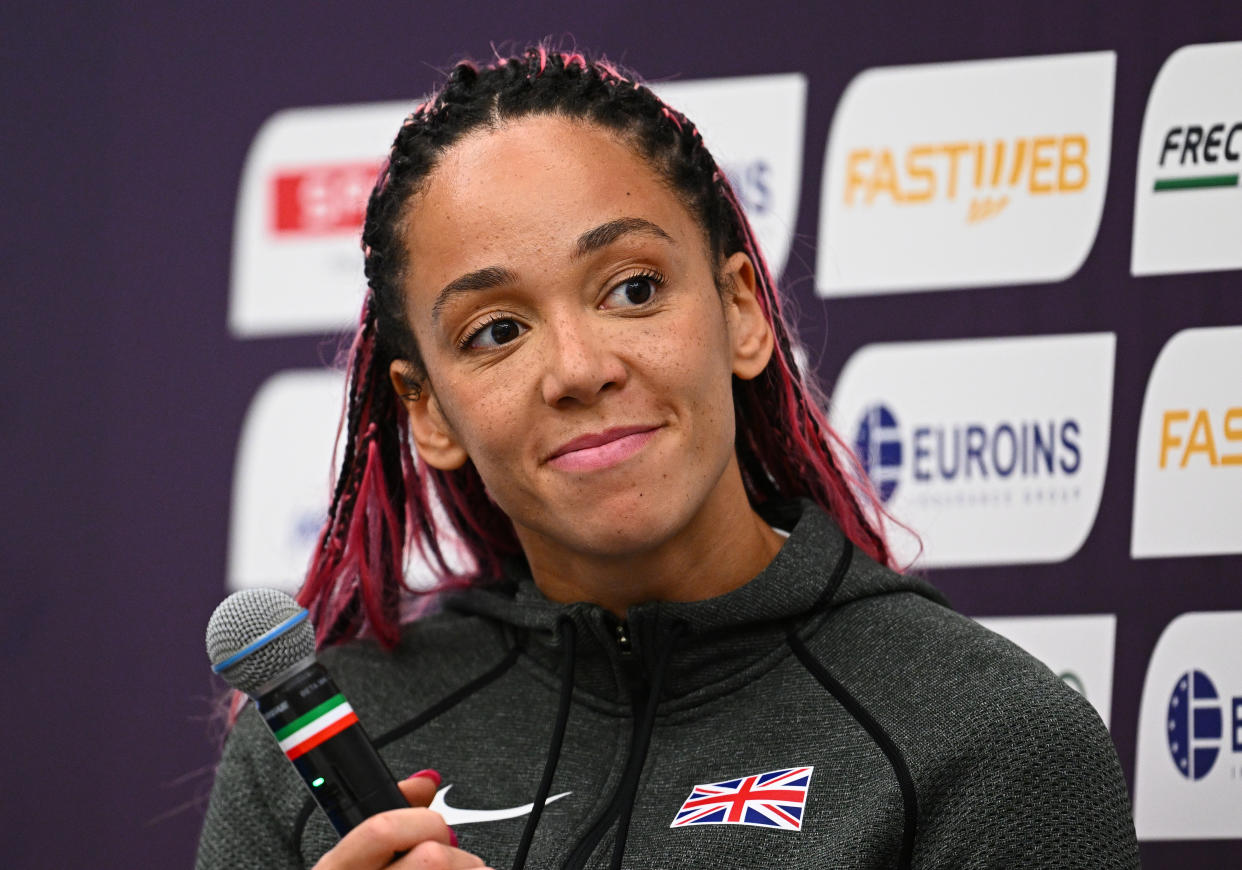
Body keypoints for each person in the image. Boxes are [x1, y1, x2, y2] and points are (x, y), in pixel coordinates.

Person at [197, 47, 1140, 869]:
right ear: (428, 411)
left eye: (634, 288)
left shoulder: (983, 736)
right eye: (494, 332)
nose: (579, 368)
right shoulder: (317, 760)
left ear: (741, 311)